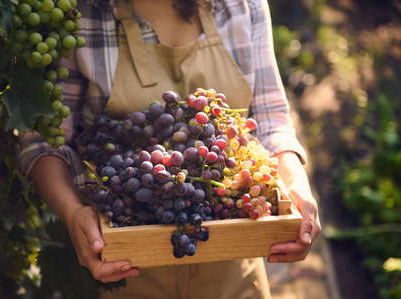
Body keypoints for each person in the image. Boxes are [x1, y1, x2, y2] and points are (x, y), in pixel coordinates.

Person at [18, 0, 321, 298]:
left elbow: (271, 125)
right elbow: (45, 142)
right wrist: (73, 213)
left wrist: (297, 185)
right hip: (121, 272)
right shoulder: (81, 15)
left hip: (233, 276)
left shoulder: (245, 7)